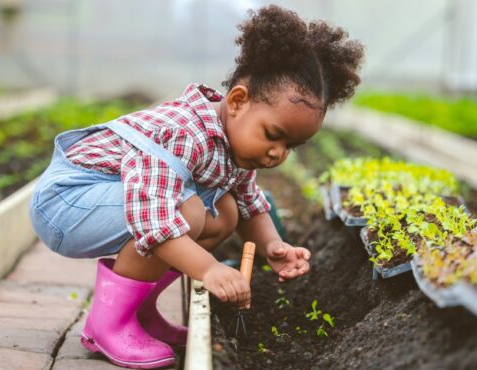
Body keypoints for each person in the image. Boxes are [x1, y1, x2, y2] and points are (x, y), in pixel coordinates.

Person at [29, 4, 364, 369]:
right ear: (237, 101)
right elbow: (154, 219)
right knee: (184, 212)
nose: (277, 154)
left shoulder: (233, 145)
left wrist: (272, 246)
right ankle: (107, 325)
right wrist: (208, 269)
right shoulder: (184, 133)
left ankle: (139, 312)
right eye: (274, 135)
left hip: (108, 201)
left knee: (226, 213)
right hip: (66, 204)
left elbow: (250, 204)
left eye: (291, 147)